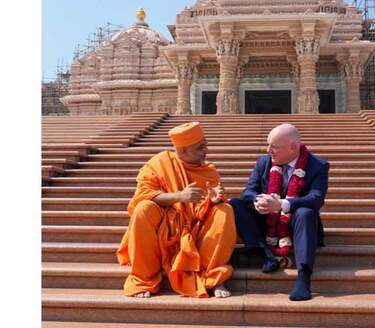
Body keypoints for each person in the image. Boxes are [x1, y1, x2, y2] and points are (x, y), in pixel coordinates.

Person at [116, 121, 236, 298]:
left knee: (225, 209)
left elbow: (203, 208)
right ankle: (143, 280)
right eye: (200, 148)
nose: (206, 151)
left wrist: (214, 199)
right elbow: (143, 195)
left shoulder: (208, 170)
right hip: (166, 224)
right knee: (143, 208)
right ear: (182, 151)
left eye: (205, 145)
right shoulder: (160, 163)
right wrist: (179, 196)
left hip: (195, 227)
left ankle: (212, 277)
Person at [230, 123, 329, 301]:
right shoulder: (263, 162)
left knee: (306, 212)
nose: (269, 150)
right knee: (235, 204)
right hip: (266, 220)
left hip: (296, 224)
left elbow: (316, 199)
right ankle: (266, 256)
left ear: (293, 147)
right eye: (268, 145)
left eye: (274, 146)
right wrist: (259, 201)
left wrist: (282, 204)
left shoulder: (317, 166)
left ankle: (303, 277)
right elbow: (248, 191)